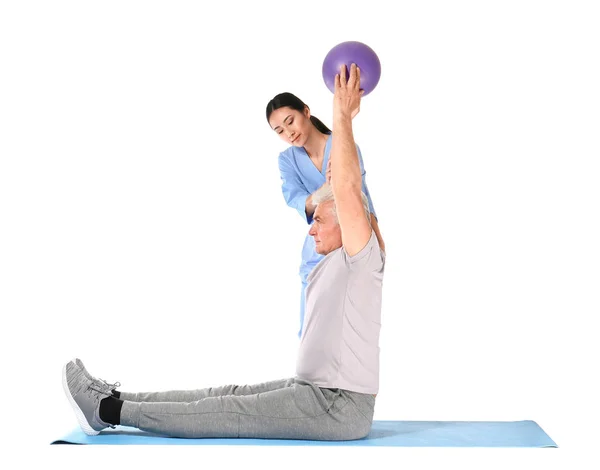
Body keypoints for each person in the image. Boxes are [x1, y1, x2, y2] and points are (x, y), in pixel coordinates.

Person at [63, 63, 385, 441]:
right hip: (316, 390)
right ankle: (113, 397)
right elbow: (320, 199)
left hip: (336, 405)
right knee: (224, 395)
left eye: (321, 220)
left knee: (226, 411)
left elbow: (349, 189)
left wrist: (342, 115)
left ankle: (107, 411)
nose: (311, 226)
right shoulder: (325, 253)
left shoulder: (361, 258)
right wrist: (323, 197)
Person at [266, 91, 385, 337]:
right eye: (279, 130)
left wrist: (377, 238)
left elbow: (358, 193)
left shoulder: (341, 144)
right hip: (319, 244)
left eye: (290, 121)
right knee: (311, 323)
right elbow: (295, 199)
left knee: (349, 323)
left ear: (306, 112)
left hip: (352, 237)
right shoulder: (287, 160)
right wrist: (326, 190)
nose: (288, 133)